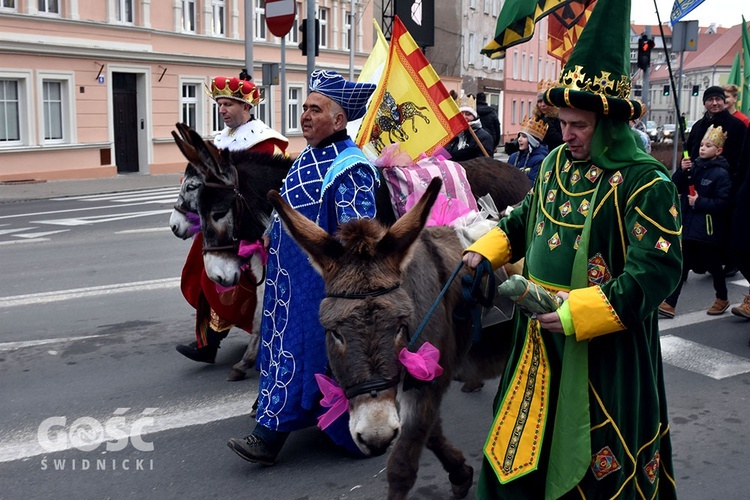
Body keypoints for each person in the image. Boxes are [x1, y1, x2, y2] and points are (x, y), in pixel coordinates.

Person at [463, 1, 681, 497]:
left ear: (609, 123)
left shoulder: (647, 181)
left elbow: (656, 272)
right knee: (518, 449)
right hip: (534, 341)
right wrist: (485, 250)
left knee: (590, 465)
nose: (566, 134)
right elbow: (525, 218)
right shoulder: (557, 160)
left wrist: (571, 312)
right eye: (562, 122)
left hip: (603, 349)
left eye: (579, 125)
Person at [226, 70, 379, 465]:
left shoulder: (352, 167)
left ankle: (270, 435)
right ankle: (280, 409)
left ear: (339, 120)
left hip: (318, 288)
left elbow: (357, 242)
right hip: (286, 283)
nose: (305, 115)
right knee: (281, 347)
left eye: (316, 108)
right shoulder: (308, 155)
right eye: (304, 107)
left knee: (303, 351)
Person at [176, 75, 289, 364]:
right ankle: (207, 340)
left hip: (247, 229)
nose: (222, 110)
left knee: (236, 285)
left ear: (246, 107)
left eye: (228, 104)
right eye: (219, 104)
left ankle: (225, 339)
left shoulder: (266, 142)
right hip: (220, 226)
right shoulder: (220, 140)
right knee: (203, 276)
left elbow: (272, 187)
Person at [659, 125, 732, 318]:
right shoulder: (694, 166)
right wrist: (682, 171)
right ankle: (670, 303)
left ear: (718, 150)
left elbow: (723, 202)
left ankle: (722, 298)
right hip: (689, 224)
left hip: (707, 228)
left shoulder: (721, 174)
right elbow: (675, 185)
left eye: (708, 146)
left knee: (713, 264)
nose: (702, 148)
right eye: (701, 144)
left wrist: (699, 201)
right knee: (682, 265)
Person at [445, 95, 495, 161]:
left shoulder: (483, 137)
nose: (464, 117)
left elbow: (484, 164)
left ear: (474, 116)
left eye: (468, 114)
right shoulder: (453, 135)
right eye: (461, 114)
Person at [507, 115, 549, 182]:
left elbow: (533, 184)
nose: (519, 139)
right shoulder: (513, 157)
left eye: (524, 137)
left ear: (532, 141)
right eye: (519, 136)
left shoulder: (539, 160)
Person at [535, 80, 564, 150]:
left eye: (545, 102)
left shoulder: (559, 119)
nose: (542, 105)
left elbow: (562, 141)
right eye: (539, 102)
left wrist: (549, 127)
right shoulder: (536, 119)